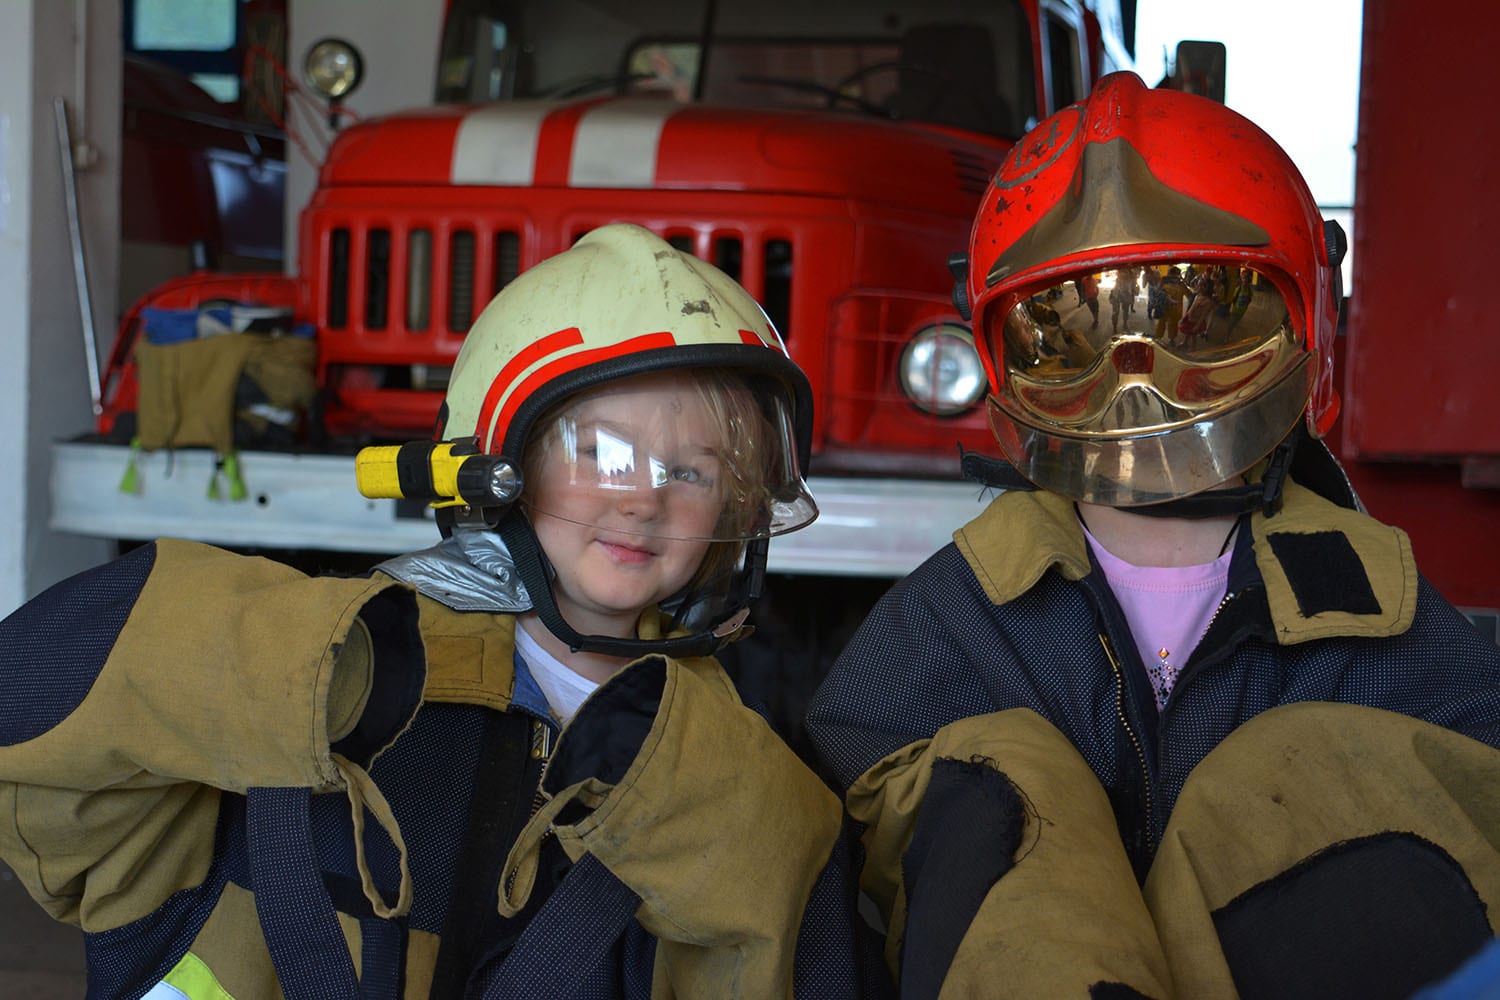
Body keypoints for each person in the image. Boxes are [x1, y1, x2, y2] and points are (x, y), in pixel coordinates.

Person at [0, 224, 875, 998]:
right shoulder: (327, 684)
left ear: (735, 510)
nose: (644, 499)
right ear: (487, 468)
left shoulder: (744, 783)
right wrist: (313, 669)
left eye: (692, 471)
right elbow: (33, 717)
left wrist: (699, 796)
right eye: (600, 451)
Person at [806, 72, 1500, 1000]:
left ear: (1308, 312)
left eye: (1199, 318)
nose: (1140, 389)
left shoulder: (1401, 636)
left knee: (1326, 771)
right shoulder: (942, 626)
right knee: (1003, 784)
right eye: (1068, 335)